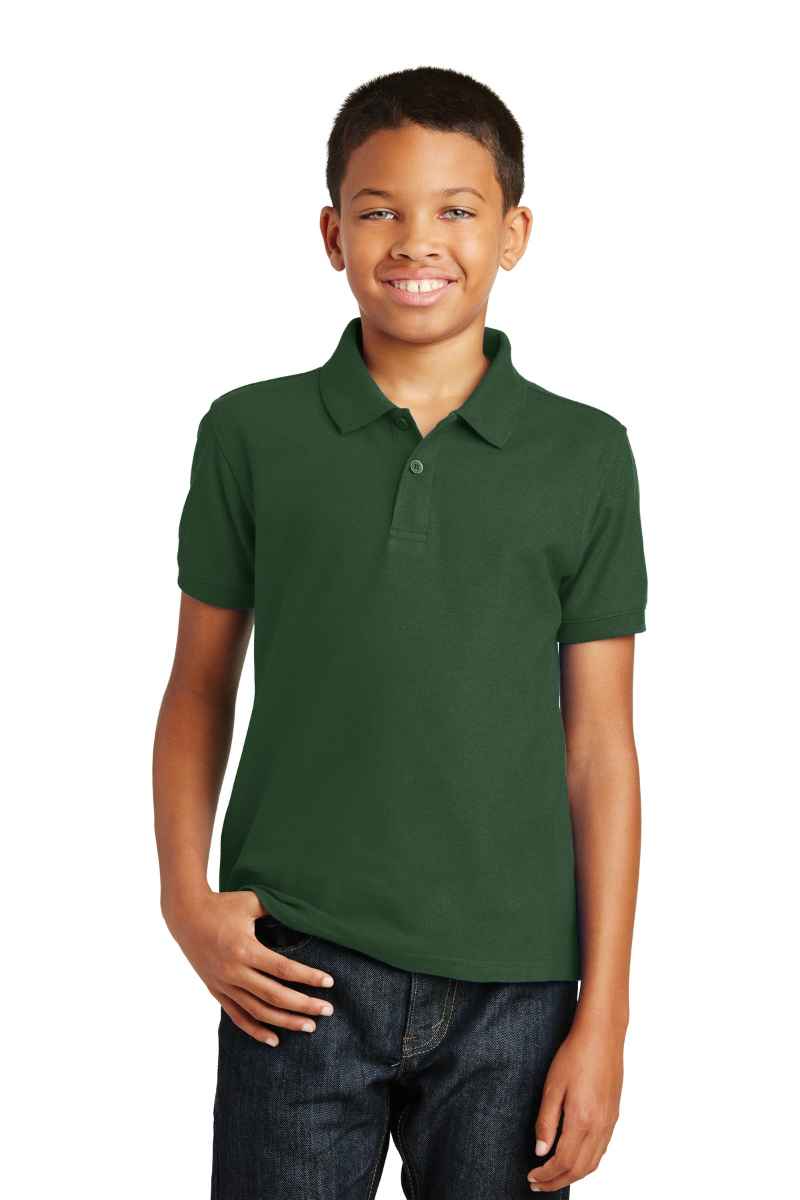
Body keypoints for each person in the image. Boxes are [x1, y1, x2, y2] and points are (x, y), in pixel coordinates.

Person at [153, 65, 648, 1200]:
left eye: (456, 209)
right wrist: (186, 899)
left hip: (517, 989)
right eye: (379, 210)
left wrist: (605, 1014)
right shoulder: (250, 434)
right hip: (292, 967)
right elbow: (197, 687)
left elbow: (599, 746)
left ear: (513, 233)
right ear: (332, 233)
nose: (416, 240)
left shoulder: (585, 455)